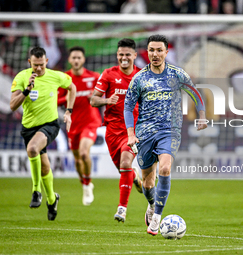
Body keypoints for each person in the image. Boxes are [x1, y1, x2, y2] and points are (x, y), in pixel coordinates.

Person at [124, 34, 208, 235]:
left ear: (166, 52)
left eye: (159, 50)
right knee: (147, 181)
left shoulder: (176, 74)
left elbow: (195, 94)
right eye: (151, 50)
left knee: (165, 167)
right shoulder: (139, 78)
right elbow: (128, 107)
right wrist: (130, 134)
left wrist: (202, 116)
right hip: (144, 133)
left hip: (170, 131)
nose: (155, 54)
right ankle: (152, 204)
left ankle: (157, 218)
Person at [10, 46, 76, 220]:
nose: (38, 68)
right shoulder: (22, 77)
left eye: (41, 65)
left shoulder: (56, 76)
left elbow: (72, 88)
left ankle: (35, 191)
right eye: (35, 65)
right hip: (29, 127)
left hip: (50, 124)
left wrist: (68, 111)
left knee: (32, 149)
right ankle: (52, 199)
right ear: (29, 62)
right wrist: (26, 91)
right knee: (45, 165)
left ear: (46, 62)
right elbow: (12, 105)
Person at [90, 38, 143, 222]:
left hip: (133, 131)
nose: (124, 58)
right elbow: (93, 100)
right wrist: (106, 101)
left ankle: (122, 209)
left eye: (128, 54)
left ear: (135, 56)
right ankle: (135, 177)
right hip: (112, 131)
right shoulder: (108, 74)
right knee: (125, 170)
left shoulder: (142, 76)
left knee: (126, 162)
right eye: (121, 54)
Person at [58, 46, 101, 206]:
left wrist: (95, 98)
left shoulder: (94, 77)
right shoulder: (64, 79)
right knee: (77, 159)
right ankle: (84, 183)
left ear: (83, 60)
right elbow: (56, 100)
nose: (76, 60)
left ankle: (87, 186)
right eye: (73, 58)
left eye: (79, 58)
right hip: (72, 124)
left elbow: (104, 96)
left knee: (84, 153)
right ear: (69, 60)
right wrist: (69, 98)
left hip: (90, 122)